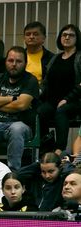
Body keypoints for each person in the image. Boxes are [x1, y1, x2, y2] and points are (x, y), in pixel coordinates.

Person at [0, 46, 40, 171]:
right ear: (6, 62)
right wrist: (12, 98)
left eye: (18, 61)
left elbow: (21, 105)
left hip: (22, 125)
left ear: (25, 63)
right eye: (10, 60)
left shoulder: (31, 80)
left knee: (16, 129)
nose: (14, 64)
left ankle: (13, 173)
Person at [37, 24, 81, 155]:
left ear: (77, 39)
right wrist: (38, 93)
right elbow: (46, 82)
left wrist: (67, 99)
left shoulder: (79, 57)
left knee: (61, 111)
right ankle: (47, 147)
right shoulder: (54, 58)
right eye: (64, 35)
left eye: (71, 35)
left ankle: (59, 150)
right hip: (53, 101)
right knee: (40, 111)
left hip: (75, 101)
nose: (67, 37)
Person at [23, 21, 55, 87]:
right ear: (24, 38)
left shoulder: (52, 59)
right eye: (28, 34)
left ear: (44, 38)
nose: (31, 37)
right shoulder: (18, 56)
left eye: (35, 34)